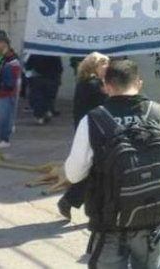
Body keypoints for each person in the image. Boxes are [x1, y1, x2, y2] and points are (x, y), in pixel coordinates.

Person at [63, 59, 160, 269]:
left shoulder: (94, 120)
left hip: (110, 222)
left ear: (107, 86)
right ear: (139, 83)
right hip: (152, 218)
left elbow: (73, 175)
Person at [58, 51, 109, 220]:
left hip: (91, 130)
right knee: (96, 170)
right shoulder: (93, 84)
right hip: (93, 131)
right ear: (93, 66)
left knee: (95, 170)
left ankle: (76, 202)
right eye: (103, 64)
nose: (107, 67)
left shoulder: (88, 82)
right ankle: (71, 200)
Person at [0, 31, 22, 149]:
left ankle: (4, 139)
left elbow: (12, 77)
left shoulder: (11, 58)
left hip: (5, 92)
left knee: (4, 116)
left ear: (3, 43)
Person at [24, 54, 64, 125]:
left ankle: (40, 116)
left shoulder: (35, 54)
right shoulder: (55, 54)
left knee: (38, 98)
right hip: (52, 79)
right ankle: (47, 111)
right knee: (49, 97)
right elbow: (60, 68)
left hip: (37, 78)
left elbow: (28, 66)